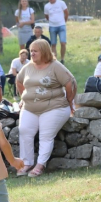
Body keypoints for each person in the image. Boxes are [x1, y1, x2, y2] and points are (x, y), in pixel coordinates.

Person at [16, 39, 76, 178]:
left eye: (35, 51)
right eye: (31, 51)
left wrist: (69, 100)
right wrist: (23, 98)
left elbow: (70, 83)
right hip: (30, 108)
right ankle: (26, 163)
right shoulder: (28, 67)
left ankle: (40, 165)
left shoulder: (55, 66)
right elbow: (19, 81)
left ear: (44, 52)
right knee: (24, 131)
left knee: (45, 135)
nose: (32, 54)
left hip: (54, 107)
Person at [44, 0, 68, 64]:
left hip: (61, 25)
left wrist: (64, 21)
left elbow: (66, 12)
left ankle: (62, 58)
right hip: (52, 26)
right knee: (53, 44)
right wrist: (51, 21)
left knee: (63, 42)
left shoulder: (61, 3)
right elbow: (46, 16)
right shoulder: (47, 6)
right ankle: (55, 59)